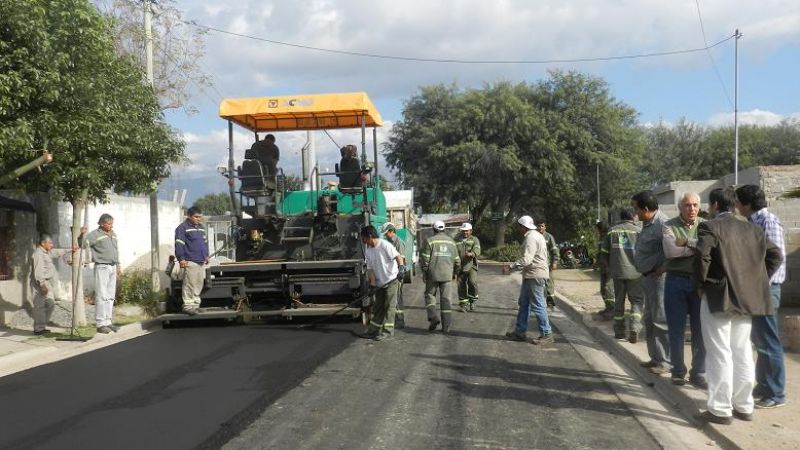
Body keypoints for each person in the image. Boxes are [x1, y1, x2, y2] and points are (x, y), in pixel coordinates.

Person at [694, 187, 783, 424]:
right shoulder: (753, 229)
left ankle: (720, 409)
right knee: (742, 350)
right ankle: (744, 406)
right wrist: (756, 282)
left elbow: (702, 257)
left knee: (719, 352)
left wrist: (701, 285)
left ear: (714, 206)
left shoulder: (710, 226)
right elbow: (776, 256)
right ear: (733, 205)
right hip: (745, 299)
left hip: (718, 297)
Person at [735, 184, 787, 409]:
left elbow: (776, 257)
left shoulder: (768, 221)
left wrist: (758, 280)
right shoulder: (752, 223)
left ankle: (776, 393)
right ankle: (764, 385)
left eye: (738, 202)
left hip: (767, 289)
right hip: (758, 290)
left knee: (769, 342)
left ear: (746, 204)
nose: (736, 206)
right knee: (760, 341)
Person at [662, 192, 706, 388]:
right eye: (687, 205)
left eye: (695, 205)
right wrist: (697, 247)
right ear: (680, 208)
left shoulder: (705, 225)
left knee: (700, 331)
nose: (692, 209)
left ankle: (698, 373)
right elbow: (671, 252)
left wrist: (686, 243)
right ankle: (678, 371)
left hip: (699, 284)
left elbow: (710, 249)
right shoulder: (668, 226)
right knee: (676, 330)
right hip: (675, 283)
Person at [631, 191, 671, 375]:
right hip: (647, 278)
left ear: (646, 209)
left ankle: (665, 361)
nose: (635, 212)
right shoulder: (647, 224)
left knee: (660, 319)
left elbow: (672, 251)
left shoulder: (663, 224)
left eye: (636, 208)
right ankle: (655, 357)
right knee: (649, 318)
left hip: (658, 279)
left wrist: (662, 269)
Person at [505, 215, 553, 345]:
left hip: (535, 275)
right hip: (532, 275)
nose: (518, 229)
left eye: (519, 226)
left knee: (538, 305)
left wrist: (511, 267)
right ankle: (520, 332)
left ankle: (546, 333)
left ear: (523, 226)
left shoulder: (531, 238)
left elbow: (527, 260)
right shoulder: (537, 235)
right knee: (524, 303)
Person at [600, 209, 644, 343]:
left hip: (617, 273)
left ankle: (619, 332)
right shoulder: (639, 231)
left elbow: (604, 252)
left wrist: (608, 268)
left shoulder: (612, 231)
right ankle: (634, 328)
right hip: (636, 273)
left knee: (619, 302)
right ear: (633, 217)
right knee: (636, 301)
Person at [362, 225, 405, 341]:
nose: (363, 241)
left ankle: (388, 331)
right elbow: (370, 269)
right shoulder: (368, 249)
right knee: (378, 307)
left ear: (370, 236)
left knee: (389, 306)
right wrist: (372, 285)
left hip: (392, 280)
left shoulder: (384, 245)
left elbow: (398, 256)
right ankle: (374, 329)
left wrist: (401, 268)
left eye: (364, 238)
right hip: (380, 283)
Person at [81, 214, 121, 334]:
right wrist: (81, 235)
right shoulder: (95, 234)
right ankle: (100, 323)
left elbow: (116, 251)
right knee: (102, 295)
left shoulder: (113, 234)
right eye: (109, 223)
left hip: (113, 266)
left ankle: (108, 322)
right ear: (102, 224)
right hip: (102, 267)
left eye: (112, 223)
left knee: (110, 296)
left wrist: (118, 266)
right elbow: (83, 244)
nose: (111, 225)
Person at [420, 220, 460, 333]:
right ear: (444, 229)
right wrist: (456, 272)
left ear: (434, 229)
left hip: (432, 275)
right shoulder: (452, 242)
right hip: (447, 275)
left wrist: (424, 272)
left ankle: (433, 317)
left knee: (430, 296)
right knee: (446, 300)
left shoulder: (429, 241)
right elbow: (457, 260)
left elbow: (425, 259)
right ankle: (446, 327)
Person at [30, 235, 75, 335]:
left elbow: (57, 252)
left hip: (46, 282)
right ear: (43, 243)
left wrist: (70, 249)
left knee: (50, 304)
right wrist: (42, 285)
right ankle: (38, 329)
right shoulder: (38, 254)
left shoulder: (47, 252)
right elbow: (38, 272)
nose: (52, 245)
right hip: (39, 283)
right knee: (39, 306)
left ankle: (42, 325)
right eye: (50, 243)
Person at [175, 206, 209, 315]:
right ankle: (188, 306)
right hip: (190, 261)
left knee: (198, 284)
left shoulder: (201, 228)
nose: (198, 219)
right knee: (189, 284)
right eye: (196, 217)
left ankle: (195, 305)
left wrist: (206, 255)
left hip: (201, 261)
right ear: (189, 216)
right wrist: (181, 258)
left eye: (200, 217)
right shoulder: (182, 228)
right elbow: (179, 244)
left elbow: (205, 243)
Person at [381, 222, 407, 329]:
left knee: (397, 297)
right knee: (392, 298)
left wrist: (400, 273)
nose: (385, 235)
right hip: (391, 274)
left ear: (391, 231)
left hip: (398, 274)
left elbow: (402, 259)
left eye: (386, 233)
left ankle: (400, 320)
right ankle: (394, 318)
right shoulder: (388, 242)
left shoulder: (398, 242)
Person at [455, 222, 481, 312]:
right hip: (460, 267)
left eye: (467, 231)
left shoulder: (474, 239)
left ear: (471, 231)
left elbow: (477, 249)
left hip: (471, 266)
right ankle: (463, 304)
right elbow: (453, 251)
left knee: (472, 283)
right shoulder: (456, 240)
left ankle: (472, 302)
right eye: (463, 231)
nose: (465, 233)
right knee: (460, 285)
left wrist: (472, 253)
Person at [537, 221, 559, 310]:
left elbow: (554, 250)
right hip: (537, 265)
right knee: (538, 284)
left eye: (542, 226)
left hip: (547, 265)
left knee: (549, 284)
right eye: (538, 226)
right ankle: (540, 303)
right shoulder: (535, 236)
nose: (540, 228)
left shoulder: (549, 237)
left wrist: (555, 262)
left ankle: (550, 303)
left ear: (545, 227)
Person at [594, 221, 615, 316]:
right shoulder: (601, 238)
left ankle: (612, 308)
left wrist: (607, 266)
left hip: (610, 266)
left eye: (598, 229)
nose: (597, 231)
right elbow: (600, 252)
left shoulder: (610, 236)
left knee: (608, 287)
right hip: (603, 267)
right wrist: (596, 262)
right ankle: (608, 307)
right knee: (602, 289)